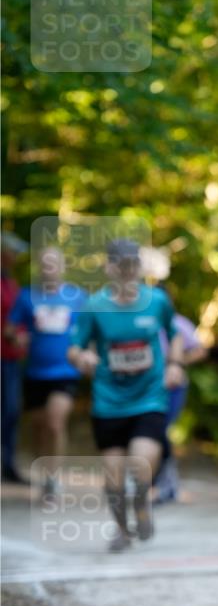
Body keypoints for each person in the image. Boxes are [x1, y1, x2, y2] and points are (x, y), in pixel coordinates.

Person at [68, 239, 184, 552]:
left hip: (149, 398)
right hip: (108, 402)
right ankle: (122, 529)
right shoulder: (94, 306)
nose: (127, 270)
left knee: (141, 463)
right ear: (109, 267)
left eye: (132, 264)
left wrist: (174, 365)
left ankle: (142, 503)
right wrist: (83, 359)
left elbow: (174, 336)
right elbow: (75, 346)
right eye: (120, 264)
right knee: (113, 480)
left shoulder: (157, 301)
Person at [7, 247, 86, 495]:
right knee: (39, 427)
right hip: (35, 373)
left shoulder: (78, 297)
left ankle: (54, 478)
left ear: (63, 267)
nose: (49, 268)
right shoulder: (27, 296)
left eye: (54, 263)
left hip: (65, 372)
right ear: (39, 267)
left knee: (55, 421)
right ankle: (45, 473)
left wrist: (85, 352)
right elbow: (10, 328)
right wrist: (17, 338)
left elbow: (89, 330)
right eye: (45, 264)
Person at [153, 309, 207, 503]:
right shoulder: (140, 319)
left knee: (160, 431)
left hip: (172, 387)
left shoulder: (178, 323)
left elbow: (200, 350)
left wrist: (175, 363)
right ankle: (159, 483)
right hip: (145, 388)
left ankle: (166, 484)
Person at [1, 231, 29, 482]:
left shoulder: (11, 282)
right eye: (13, 252)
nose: (17, 257)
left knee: (10, 412)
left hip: (10, 359)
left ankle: (7, 464)